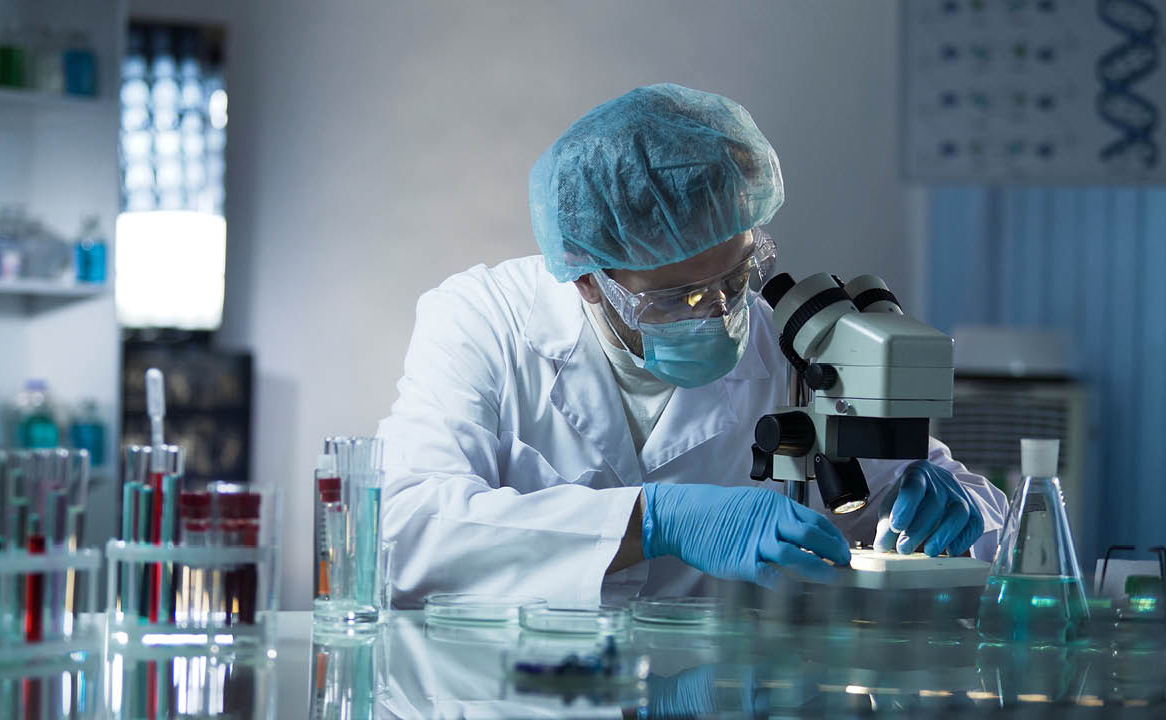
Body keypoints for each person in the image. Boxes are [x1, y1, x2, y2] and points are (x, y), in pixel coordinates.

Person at [376, 83, 1007, 608]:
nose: (724, 312)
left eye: (738, 276)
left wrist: (955, 510)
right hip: (516, 686)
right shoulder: (485, 321)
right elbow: (407, 533)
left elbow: (981, 519)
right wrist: (654, 520)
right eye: (682, 296)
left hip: (715, 686)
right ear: (589, 279)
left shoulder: (788, 348)